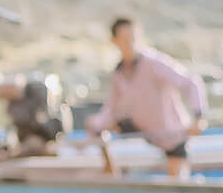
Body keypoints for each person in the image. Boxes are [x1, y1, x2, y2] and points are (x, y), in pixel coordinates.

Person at [87, 17, 207, 181]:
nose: (129, 43)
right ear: (114, 41)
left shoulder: (154, 62)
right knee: (97, 126)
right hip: (144, 134)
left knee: (176, 183)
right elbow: (110, 109)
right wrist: (97, 126)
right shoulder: (118, 73)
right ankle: (111, 173)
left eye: (133, 38)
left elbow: (192, 82)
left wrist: (199, 117)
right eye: (124, 39)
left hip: (172, 136)